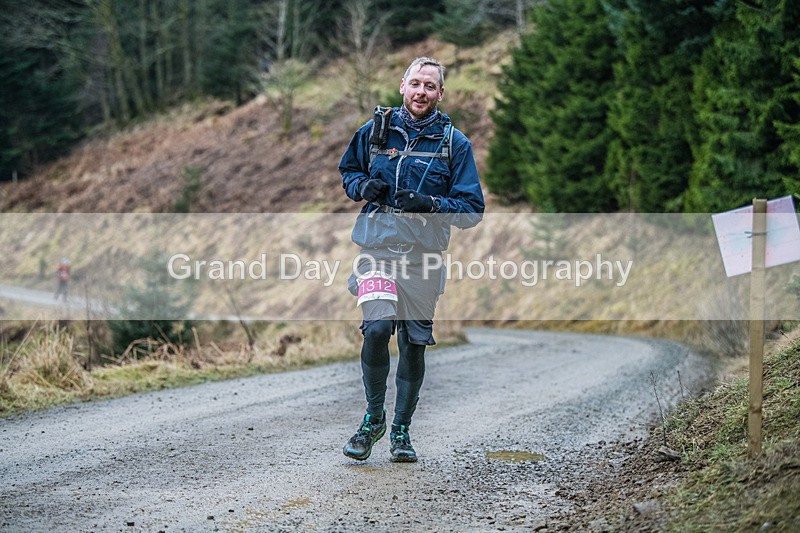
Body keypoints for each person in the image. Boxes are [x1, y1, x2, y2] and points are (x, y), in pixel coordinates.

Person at [339, 57, 485, 462]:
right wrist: (362, 185)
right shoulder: (375, 131)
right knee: (377, 327)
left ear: (441, 94)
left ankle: (401, 430)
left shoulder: (455, 144)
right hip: (377, 252)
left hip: (423, 259)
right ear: (403, 85)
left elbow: (472, 210)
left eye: (430, 86)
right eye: (415, 83)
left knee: (413, 344)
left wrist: (431, 203)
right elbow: (348, 170)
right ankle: (373, 419)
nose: (422, 92)